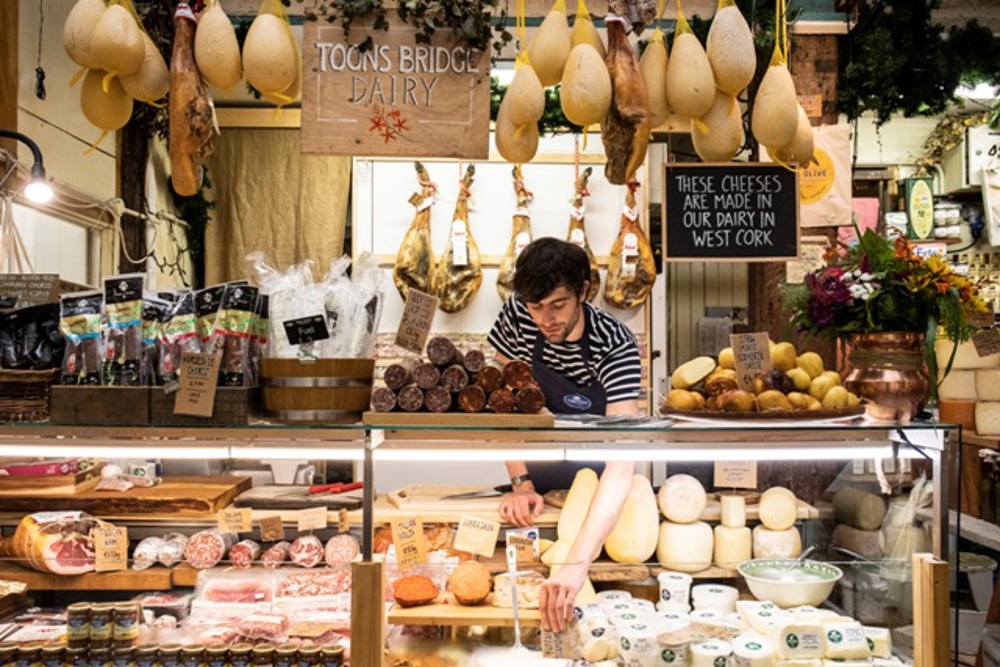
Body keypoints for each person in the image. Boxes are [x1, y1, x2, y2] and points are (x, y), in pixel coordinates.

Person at [486, 238, 642, 632]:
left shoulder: (616, 344)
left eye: (558, 305)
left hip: (601, 481)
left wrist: (575, 564)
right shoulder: (518, 316)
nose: (545, 320)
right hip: (536, 472)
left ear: (584, 292)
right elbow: (505, 407)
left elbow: (622, 464)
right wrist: (520, 482)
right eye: (536, 307)